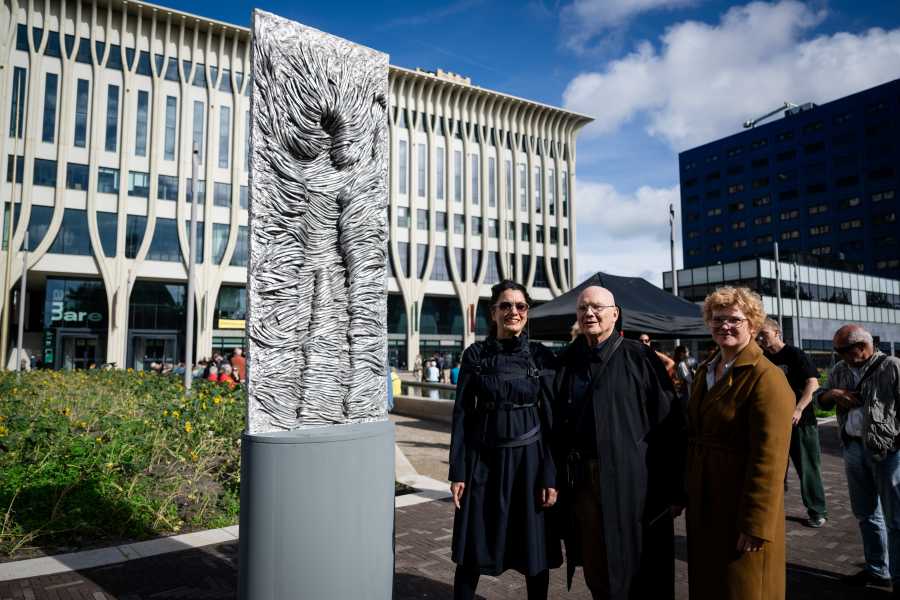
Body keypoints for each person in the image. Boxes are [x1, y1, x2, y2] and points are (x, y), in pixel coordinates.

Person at [553, 286, 685, 600]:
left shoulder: (639, 357)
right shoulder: (568, 360)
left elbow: (672, 426)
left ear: (615, 313)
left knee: (639, 561)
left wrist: (676, 489)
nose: (589, 313)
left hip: (633, 481)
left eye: (597, 307)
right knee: (596, 560)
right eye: (583, 308)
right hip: (584, 479)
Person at [448, 279, 559, 600]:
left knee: (534, 551)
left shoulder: (541, 357)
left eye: (521, 306)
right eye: (506, 305)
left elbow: (552, 423)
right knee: (473, 547)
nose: (514, 311)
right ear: (493, 312)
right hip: (484, 464)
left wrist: (550, 474)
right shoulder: (476, 356)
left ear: (527, 313)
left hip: (530, 465)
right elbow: (462, 416)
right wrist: (458, 470)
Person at [686, 287, 794, 600]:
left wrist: (756, 523)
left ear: (753, 323)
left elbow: (770, 460)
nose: (725, 326)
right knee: (710, 585)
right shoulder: (705, 370)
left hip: (740, 508)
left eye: (734, 319)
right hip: (706, 502)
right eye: (717, 319)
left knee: (743, 588)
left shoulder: (767, 377)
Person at [816, 324, 900, 594]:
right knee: (865, 513)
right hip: (853, 447)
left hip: (887, 451)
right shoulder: (841, 370)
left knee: (895, 519)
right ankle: (878, 570)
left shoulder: (893, 367)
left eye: (842, 351)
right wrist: (834, 394)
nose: (839, 356)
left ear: (861, 347)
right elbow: (822, 397)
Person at [756, 318, 828, 528]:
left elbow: (813, 384)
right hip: (773, 423)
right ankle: (773, 510)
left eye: (764, 334)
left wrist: (797, 409)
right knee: (773, 469)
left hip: (801, 423)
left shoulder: (795, 354)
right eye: (758, 335)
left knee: (807, 468)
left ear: (777, 332)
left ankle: (817, 511)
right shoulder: (762, 358)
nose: (760, 338)